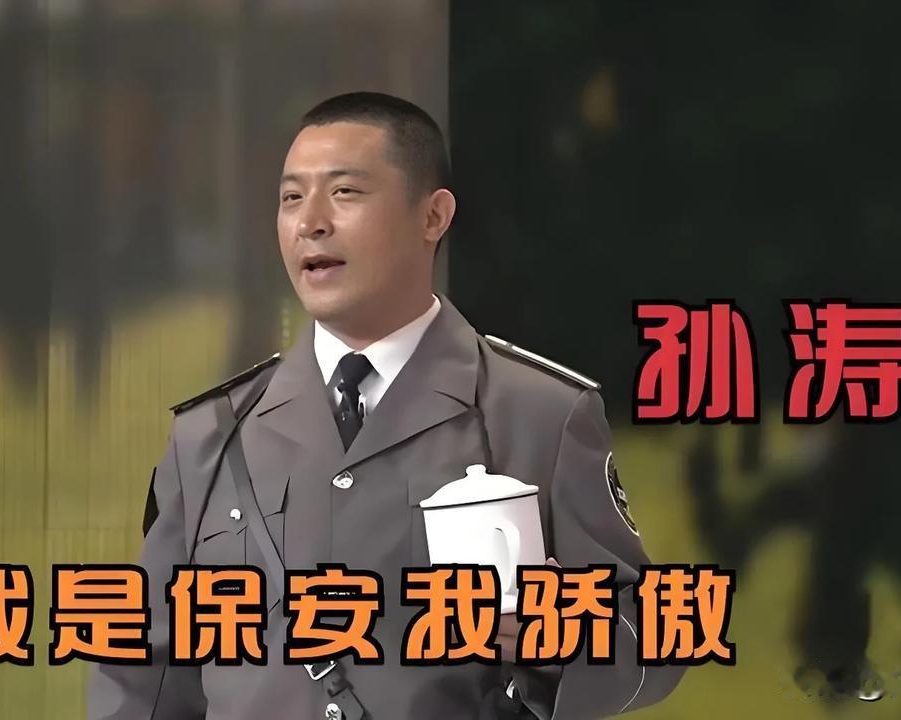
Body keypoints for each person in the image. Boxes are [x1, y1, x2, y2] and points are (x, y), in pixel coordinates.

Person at [88, 91, 686, 719]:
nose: (310, 222)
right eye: (291, 198)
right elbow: (143, 673)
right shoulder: (211, 435)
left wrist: (571, 638)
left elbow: (650, 637)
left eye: (344, 192)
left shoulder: (540, 416)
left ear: (433, 216)